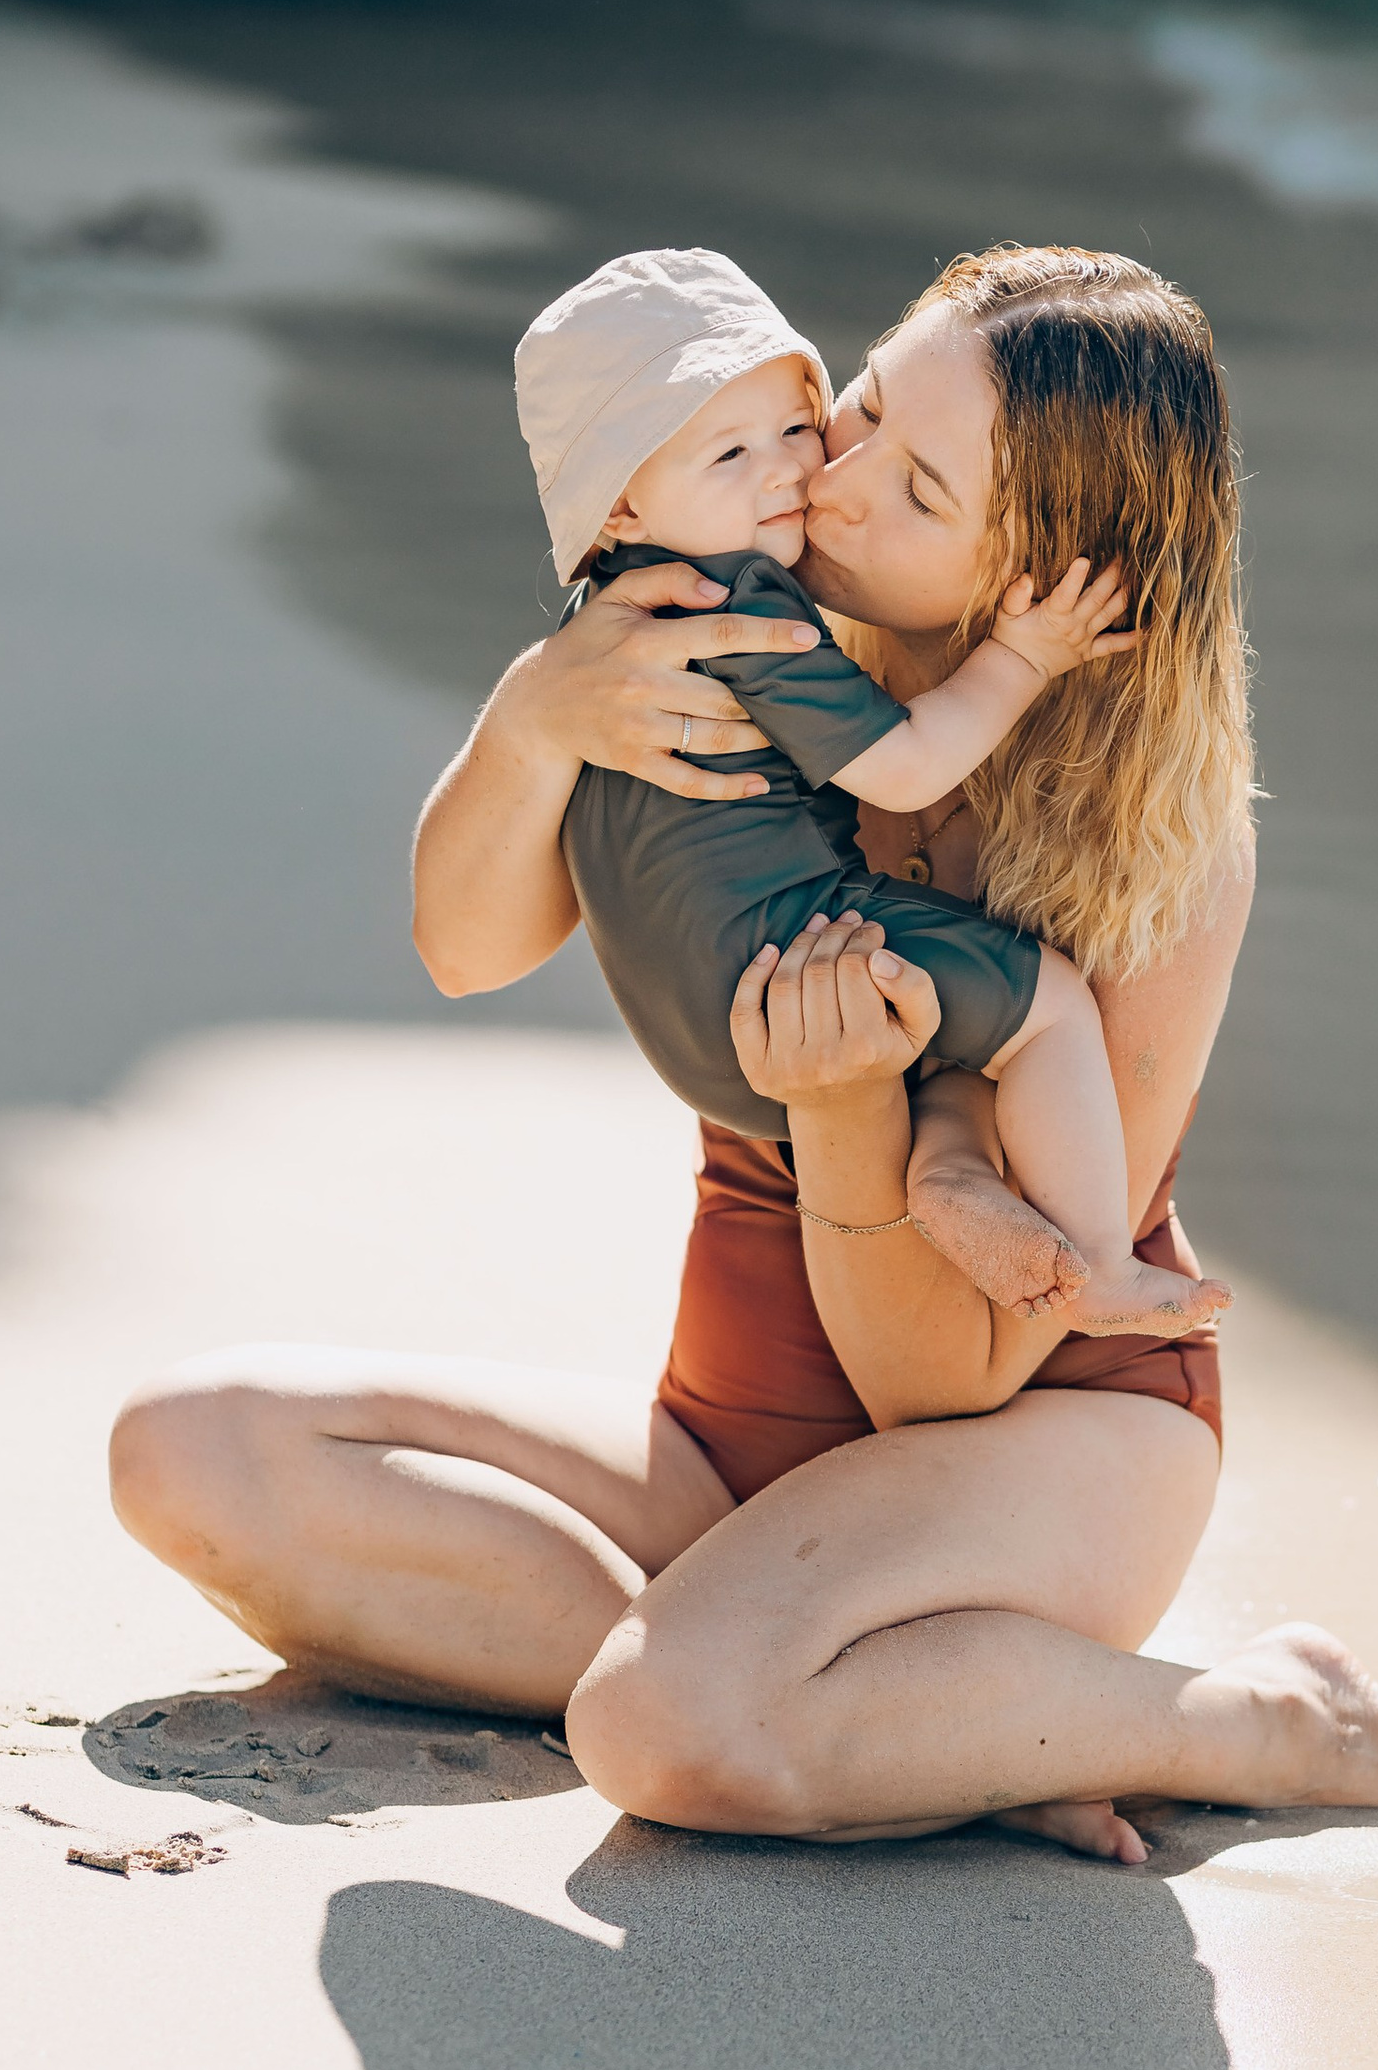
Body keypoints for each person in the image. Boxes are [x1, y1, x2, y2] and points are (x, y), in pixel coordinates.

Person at [109, 241, 1378, 1859]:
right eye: (863, 404)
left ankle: (1259, 1718)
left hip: (1031, 1441)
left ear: (1044, 582)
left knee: (662, 1728)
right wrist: (536, 720)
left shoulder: (1162, 856)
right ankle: (927, 1717)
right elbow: (463, 947)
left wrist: (846, 1104)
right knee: (193, 1451)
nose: (838, 476)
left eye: (921, 487)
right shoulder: (757, 658)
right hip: (731, 1439)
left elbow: (946, 1379)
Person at [520, 242, 1226, 1334]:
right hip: (780, 992)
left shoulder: (613, 613)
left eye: (796, 426)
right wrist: (1023, 657)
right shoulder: (747, 614)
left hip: (687, 1023)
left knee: (949, 1033)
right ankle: (1097, 1263)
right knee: (1041, 1009)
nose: (814, 482)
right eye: (867, 407)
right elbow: (907, 766)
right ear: (620, 504)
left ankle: (952, 1168)